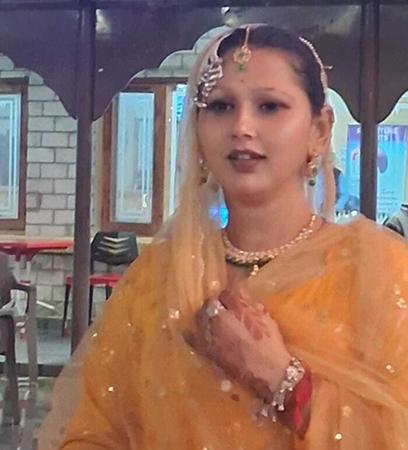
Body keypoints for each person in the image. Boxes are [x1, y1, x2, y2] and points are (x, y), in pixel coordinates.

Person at [39, 24, 408, 450]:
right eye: (220, 106)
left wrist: (281, 380)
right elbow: (91, 430)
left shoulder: (381, 275)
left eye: (269, 106)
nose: (242, 126)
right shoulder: (158, 280)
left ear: (319, 131)